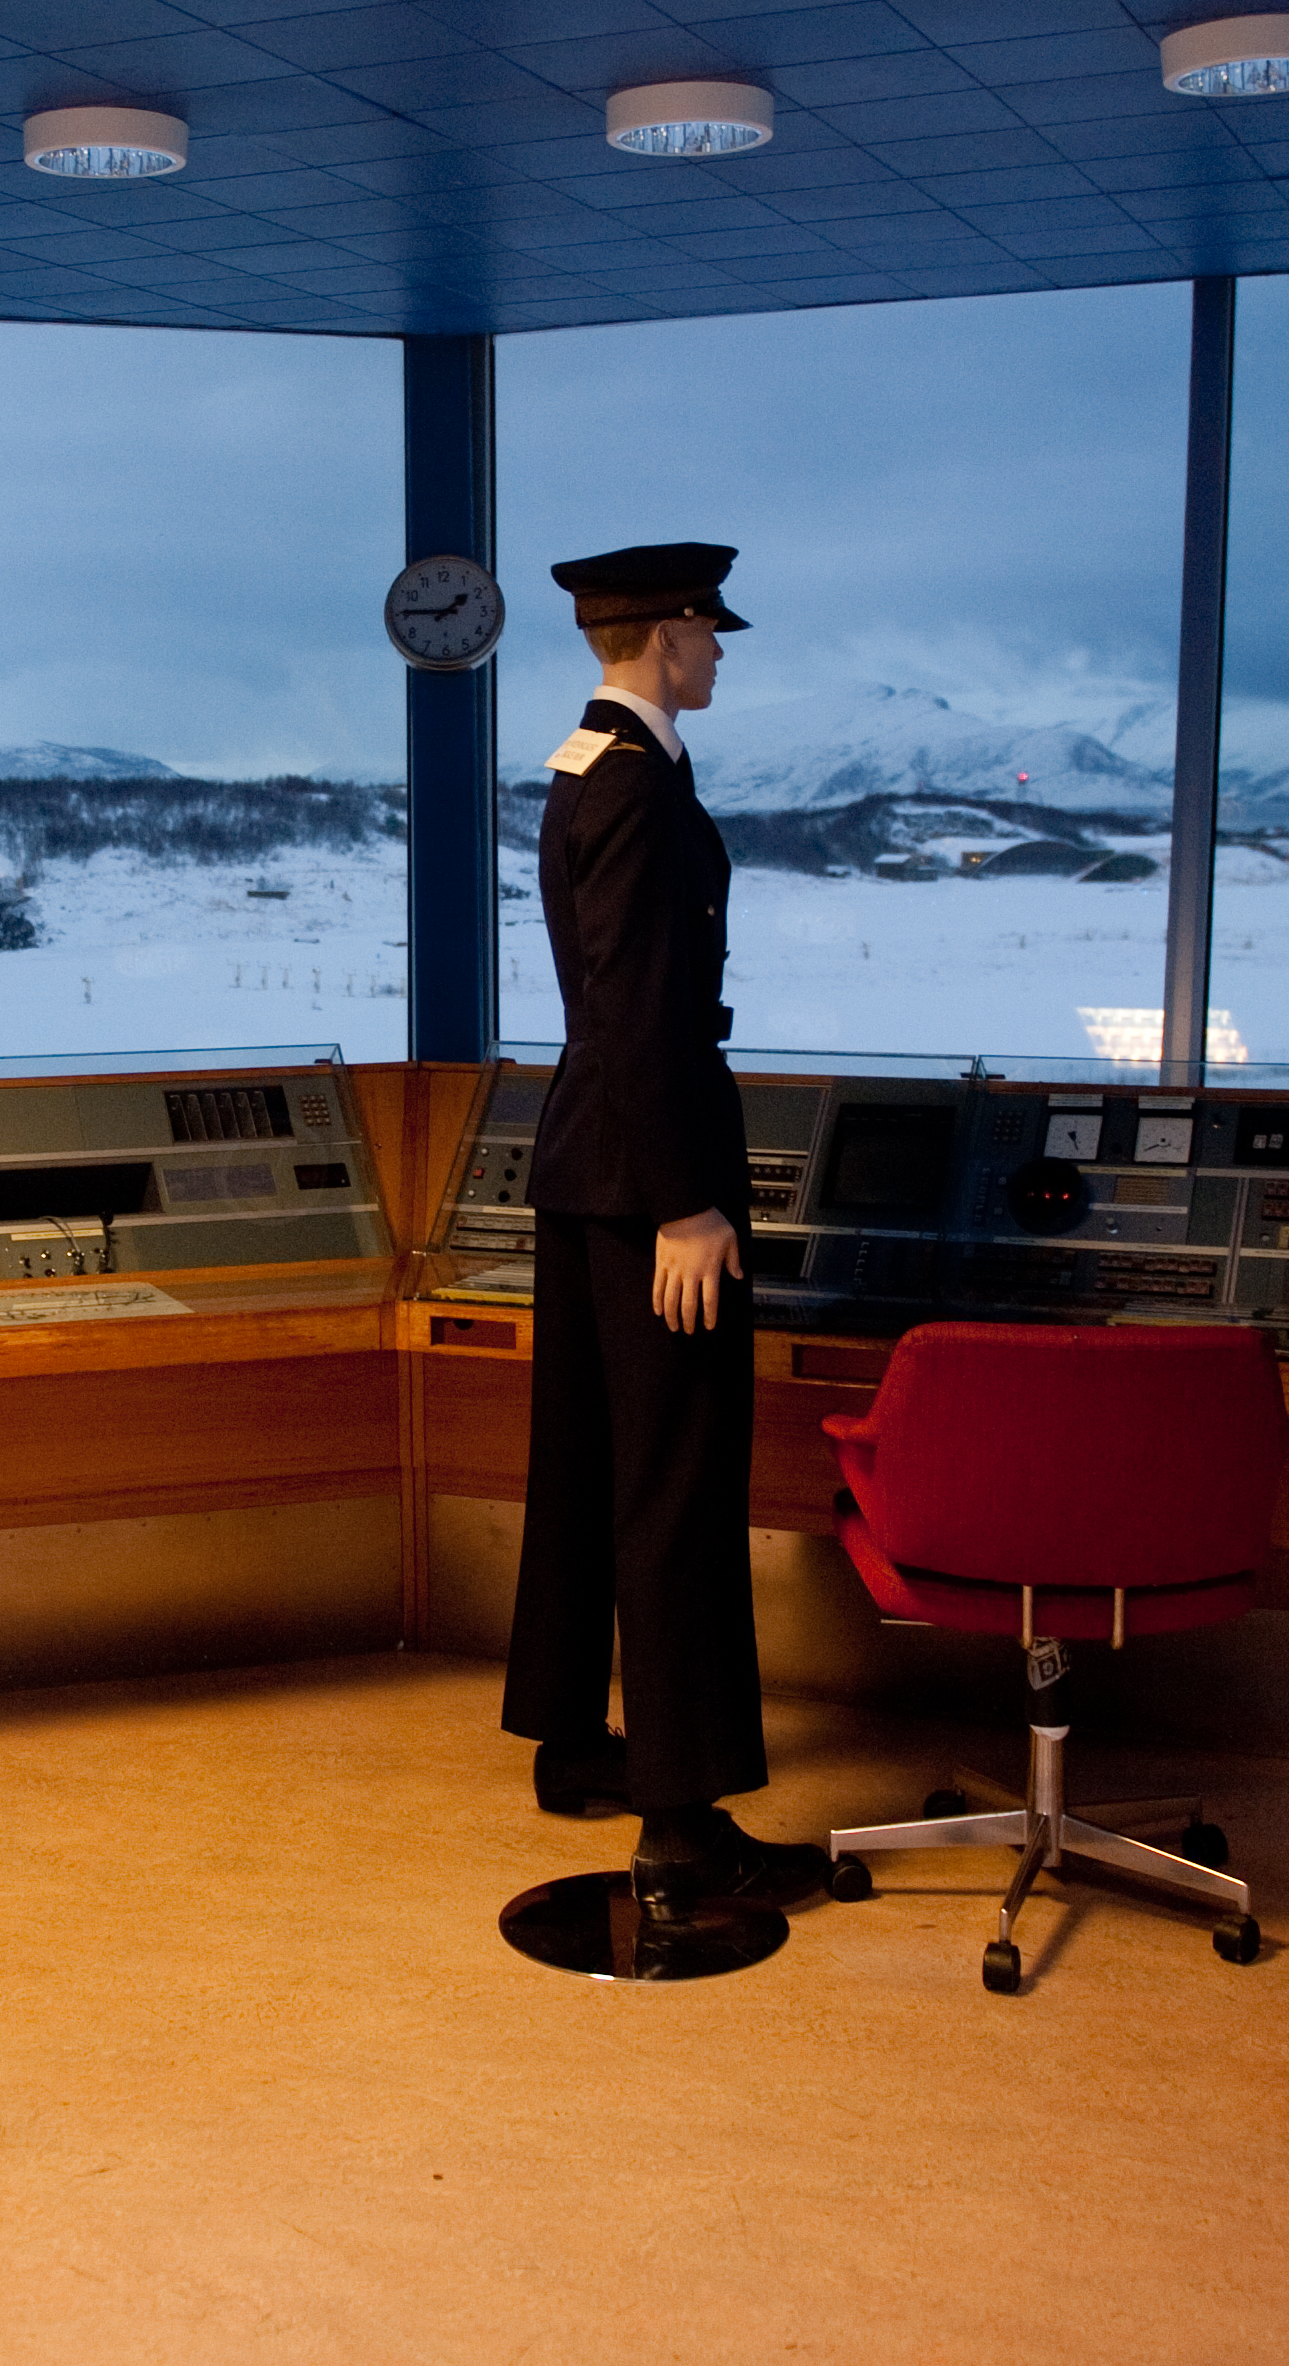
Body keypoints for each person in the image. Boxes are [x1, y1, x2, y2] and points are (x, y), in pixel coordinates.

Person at [499, 542, 831, 1913]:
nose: (718, 652)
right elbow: (637, 1004)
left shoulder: (594, 766)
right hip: (648, 1175)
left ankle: (577, 1744)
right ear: (659, 637)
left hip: (587, 1163)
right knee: (675, 1484)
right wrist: (689, 1204)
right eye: (706, 630)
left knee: (584, 1465)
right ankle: (683, 1817)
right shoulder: (634, 785)